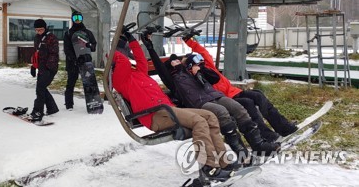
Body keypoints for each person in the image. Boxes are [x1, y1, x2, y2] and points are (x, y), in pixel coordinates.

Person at [112, 31, 233, 181]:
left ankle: (224, 163)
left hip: (167, 109)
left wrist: (132, 40)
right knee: (199, 121)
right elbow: (122, 61)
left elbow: (141, 59)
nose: (129, 62)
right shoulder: (119, 80)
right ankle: (208, 167)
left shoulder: (139, 72)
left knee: (210, 116)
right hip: (155, 115)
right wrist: (115, 47)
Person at [182, 32, 297, 141]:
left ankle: (284, 127)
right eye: (196, 62)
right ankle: (266, 135)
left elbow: (204, 52)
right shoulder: (196, 78)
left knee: (258, 95)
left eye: (200, 61)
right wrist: (194, 73)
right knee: (248, 103)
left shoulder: (208, 68)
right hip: (225, 99)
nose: (200, 63)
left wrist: (189, 41)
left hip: (234, 92)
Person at [63, 11, 97, 110]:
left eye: (79, 18)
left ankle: (93, 102)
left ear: (82, 19)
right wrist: (73, 59)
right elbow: (67, 49)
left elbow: (94, 46)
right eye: (75, 18)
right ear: (72, 19)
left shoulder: (88, 33)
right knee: (71, 83)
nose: (77, 20)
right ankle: (69, 104)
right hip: (73, 62)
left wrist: (90, 45)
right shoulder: (68, 33)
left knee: (89, 83)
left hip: (86, 61)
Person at [29, 19, 59, 124]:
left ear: (45, 28)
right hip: (41, 67)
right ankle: (52, 108)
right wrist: (33, 66)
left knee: (40, 89)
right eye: (37, 30)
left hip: (50, 68)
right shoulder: (37, 38)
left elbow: (54, 54)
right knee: (42, 88)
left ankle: (38, 111)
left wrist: (48, 68)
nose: (39, 32)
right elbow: (36, 53)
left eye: (41, 29)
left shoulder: (52, 38)